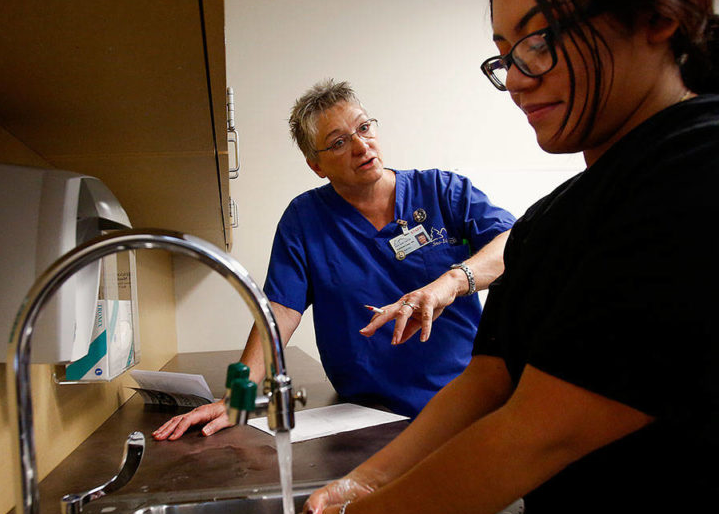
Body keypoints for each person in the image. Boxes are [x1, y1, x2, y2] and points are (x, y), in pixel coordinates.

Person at [261, 0, 719, 514]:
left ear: (658, 17)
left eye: (540, 39)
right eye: (503, 56)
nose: (517, 77)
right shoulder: (555, 220)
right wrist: (355, 488)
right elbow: (486, 384)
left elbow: (536, 432)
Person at [154, 80, 514, 439]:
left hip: (465, 405)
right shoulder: (305, 219)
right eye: (339, 142)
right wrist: (238, 395)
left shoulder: (442, 192)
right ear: (316, 165)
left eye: (363, 127)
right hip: (367, 416)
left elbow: (516, 243)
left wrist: (449, 284)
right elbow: (279, 312)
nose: (361, 145)